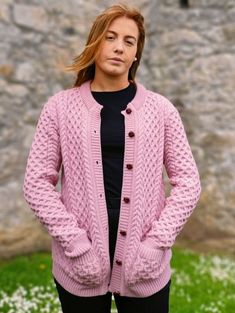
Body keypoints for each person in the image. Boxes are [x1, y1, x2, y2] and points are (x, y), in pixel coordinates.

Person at [23, 3, 201, 313]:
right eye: (110, 37)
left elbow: (188, 183)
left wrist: (155, 245)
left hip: (145, 266)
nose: (119, 47)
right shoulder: (59, 108)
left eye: (129, 42)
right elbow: (36, 183)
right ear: (95, 43)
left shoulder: (161, 110)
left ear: (136, 55)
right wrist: (75, 245)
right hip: (79, 266)